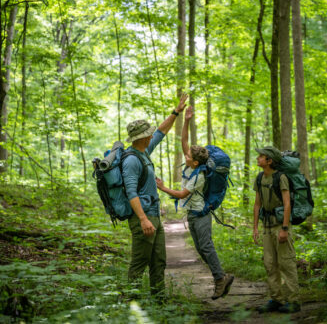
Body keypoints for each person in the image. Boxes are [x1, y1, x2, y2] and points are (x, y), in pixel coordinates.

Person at [156, 105, 234, 300]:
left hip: (201, 214)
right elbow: (184, 141)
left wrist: (163, 187)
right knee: (201, 249)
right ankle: (221, 277)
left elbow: (182, 194)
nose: (186, 155)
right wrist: (187, 120)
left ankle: (220, 279)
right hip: (192, 214)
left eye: (188, 155)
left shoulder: (199, 176)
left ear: (195, 162)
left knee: (206, 247)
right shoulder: (192, 165)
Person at [122, 94, 187, 298]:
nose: (152, 135)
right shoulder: (131, 160)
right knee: (140, 262)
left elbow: (161, 131)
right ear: (142, 138)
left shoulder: (144, 151)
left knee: (158, 261)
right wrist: (142, 219)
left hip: (154, 216)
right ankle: (131, 307)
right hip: (144, 218)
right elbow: (130, 192)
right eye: (148, 133)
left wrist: (176, 112)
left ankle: (159, 304)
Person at [252, 146, 301, 313]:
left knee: (286, 262)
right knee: (270, 263)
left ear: (269, 161)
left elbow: (287, 204)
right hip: (266, 226)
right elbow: (257, 204)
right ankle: (277, 299)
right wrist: (255, 228)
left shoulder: (281, 178)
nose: (258, 158)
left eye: (261, 156)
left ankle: (293, 301)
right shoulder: (259, 178)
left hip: (280, 225)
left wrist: (285, 229)